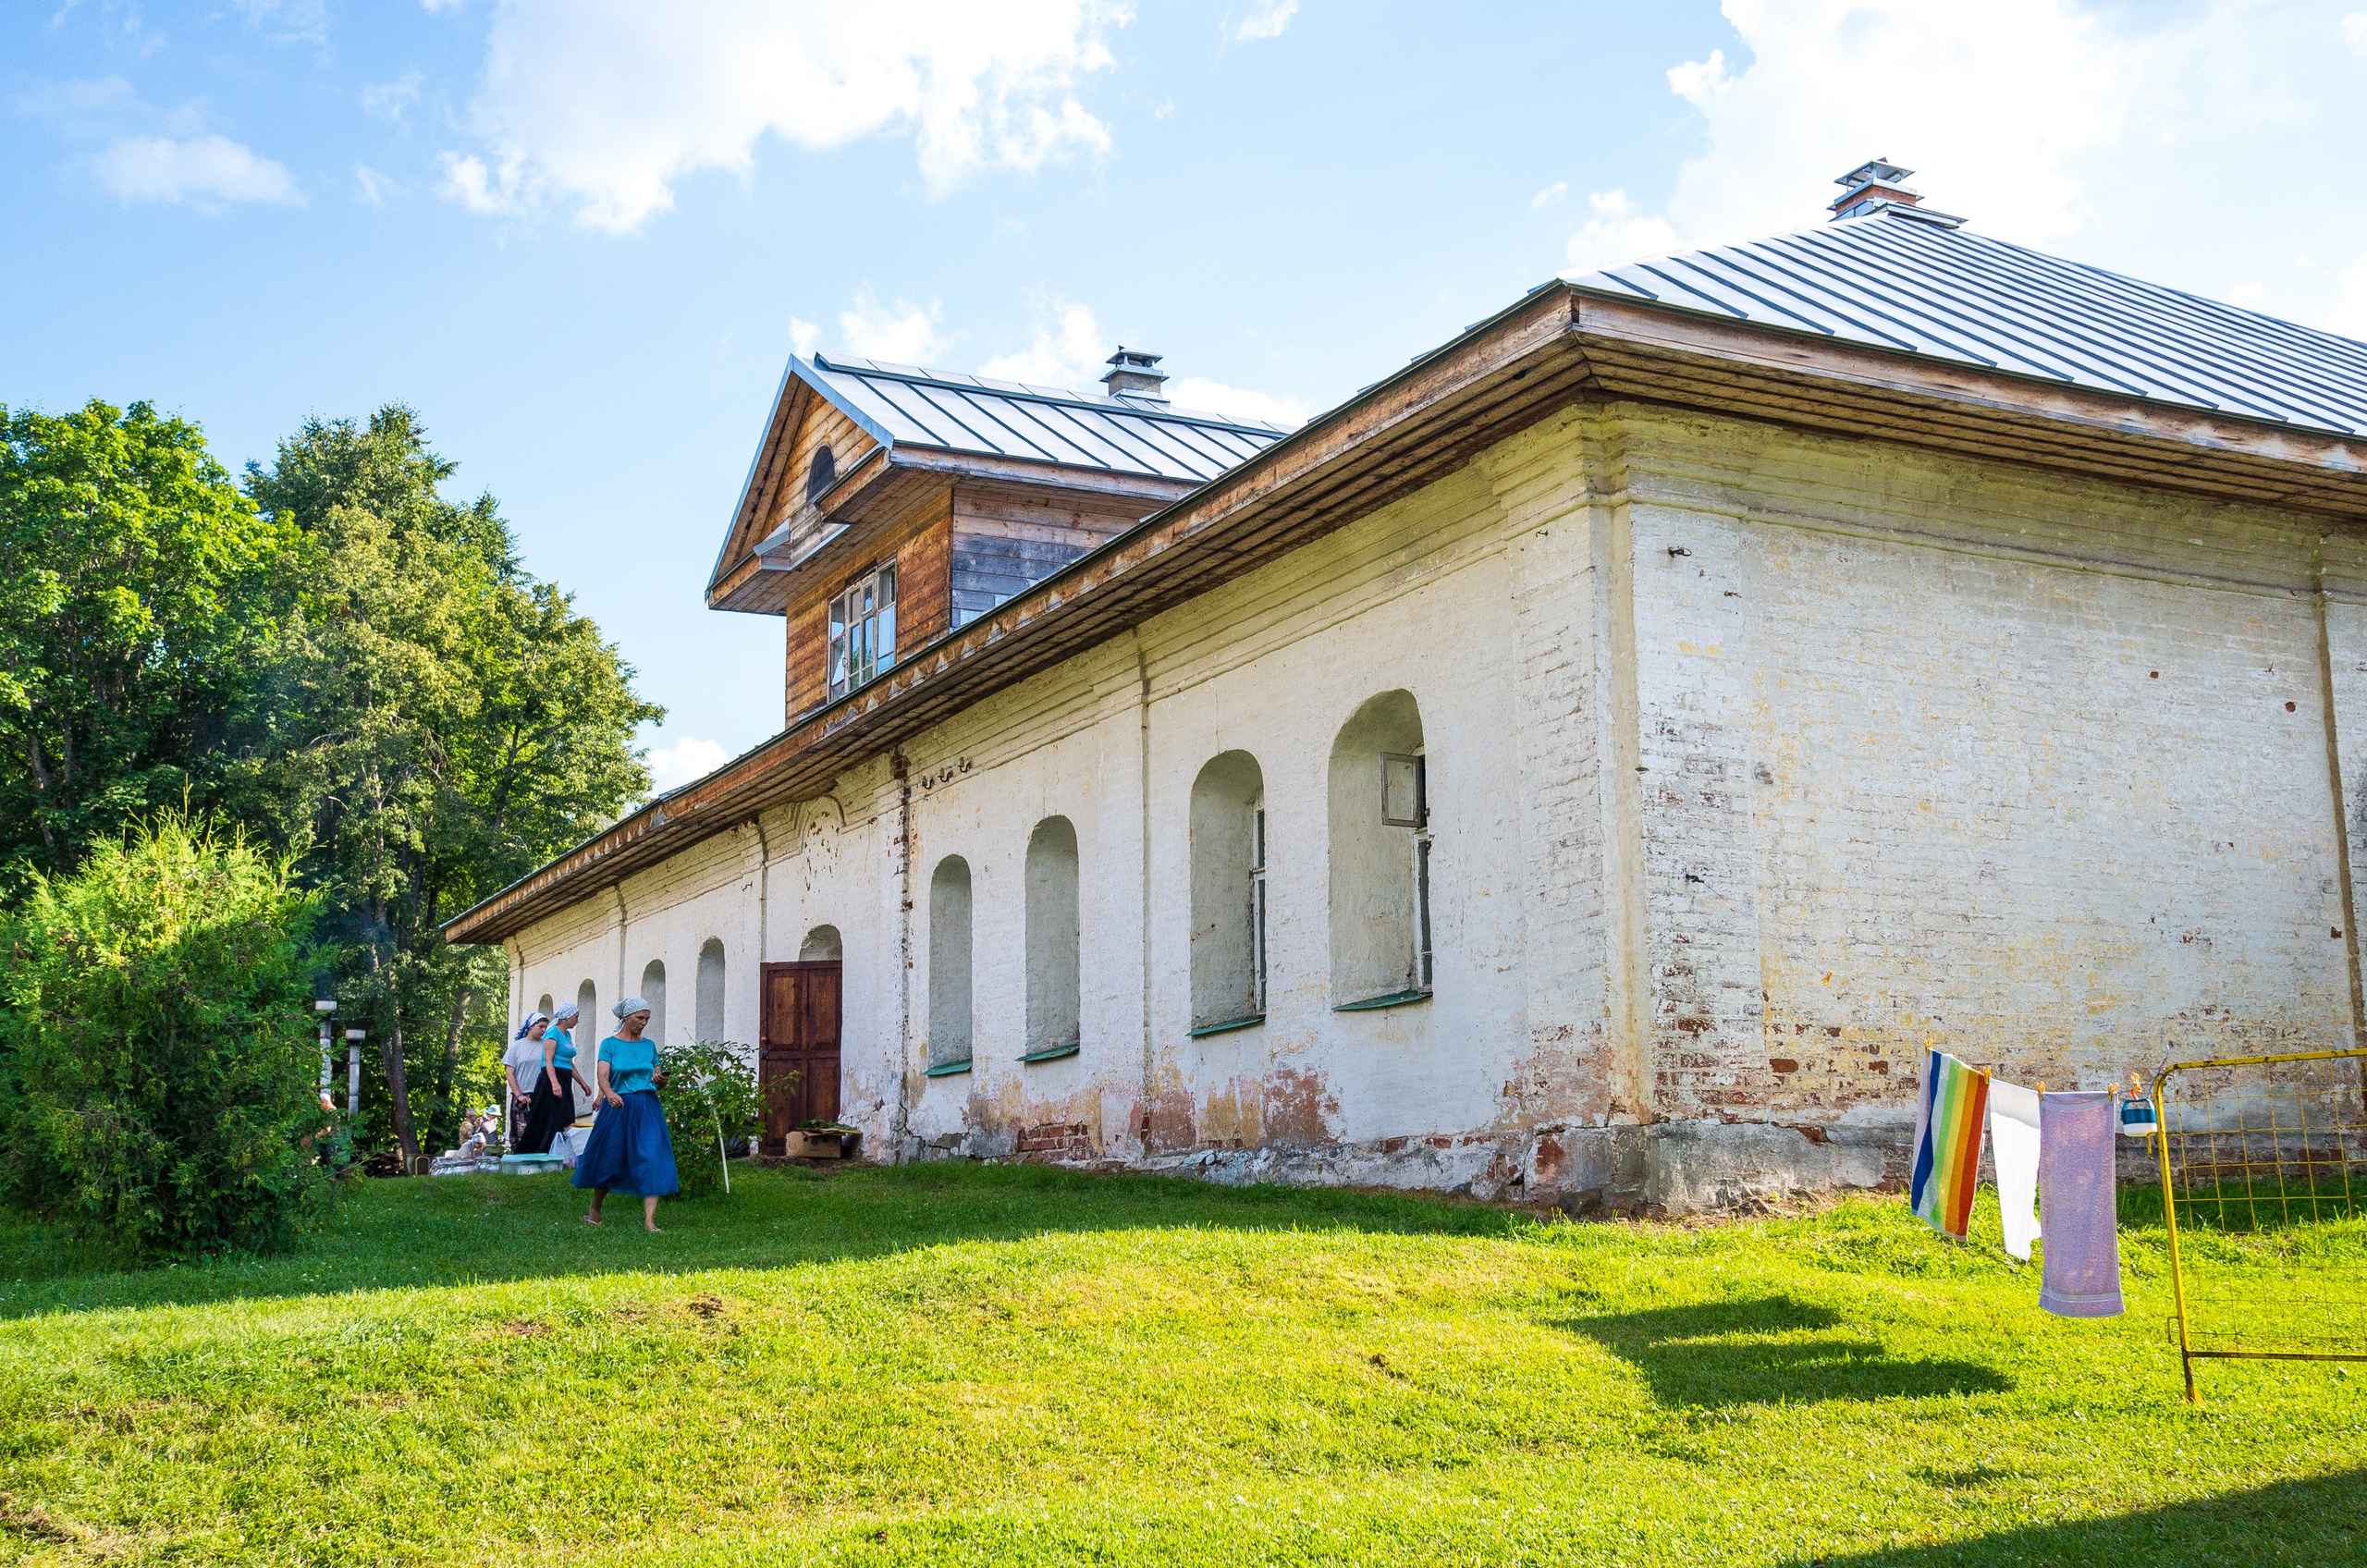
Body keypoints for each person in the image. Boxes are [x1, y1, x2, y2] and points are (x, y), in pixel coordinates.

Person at [572, 997, 680, 1231]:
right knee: (609, 1158)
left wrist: (661, 1081)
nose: (644, 1023)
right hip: (618, 1107)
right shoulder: (609, 1044)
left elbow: (659, 1080)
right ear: (625, 1018)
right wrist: (609, 1094)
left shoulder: (648, 1045)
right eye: (639, 1018)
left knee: (651, 1157)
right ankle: (596, 1210)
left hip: (647, 1107)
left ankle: (650, 1222)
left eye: (647, 1019)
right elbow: (603, 1075)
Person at [518, 1005, 587, 1154]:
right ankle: (541, 1149)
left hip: (565, 1077)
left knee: (566, 1115)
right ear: (565, 1017)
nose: (577, 1021)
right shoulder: (552, 1032)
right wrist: (555, 1083)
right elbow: (548, 1060)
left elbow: (569, 1063)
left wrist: (583, 1084)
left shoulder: (566, 1035)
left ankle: (561, 1152)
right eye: (575, 1017)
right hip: (551, 1078)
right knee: (549, 1116)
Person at [501, 1014, 548, 1151]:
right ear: (531, 1026)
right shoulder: (517, 1046)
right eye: (541, 1026)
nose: (543, 1030)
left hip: (540, 1094)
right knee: (521, 1130)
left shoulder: (545, 1046)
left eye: (545, 1027)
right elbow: (510, 1073)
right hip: (522, 1095)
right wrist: (519, 1095)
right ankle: (518, 1159)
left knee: (540, 1129)